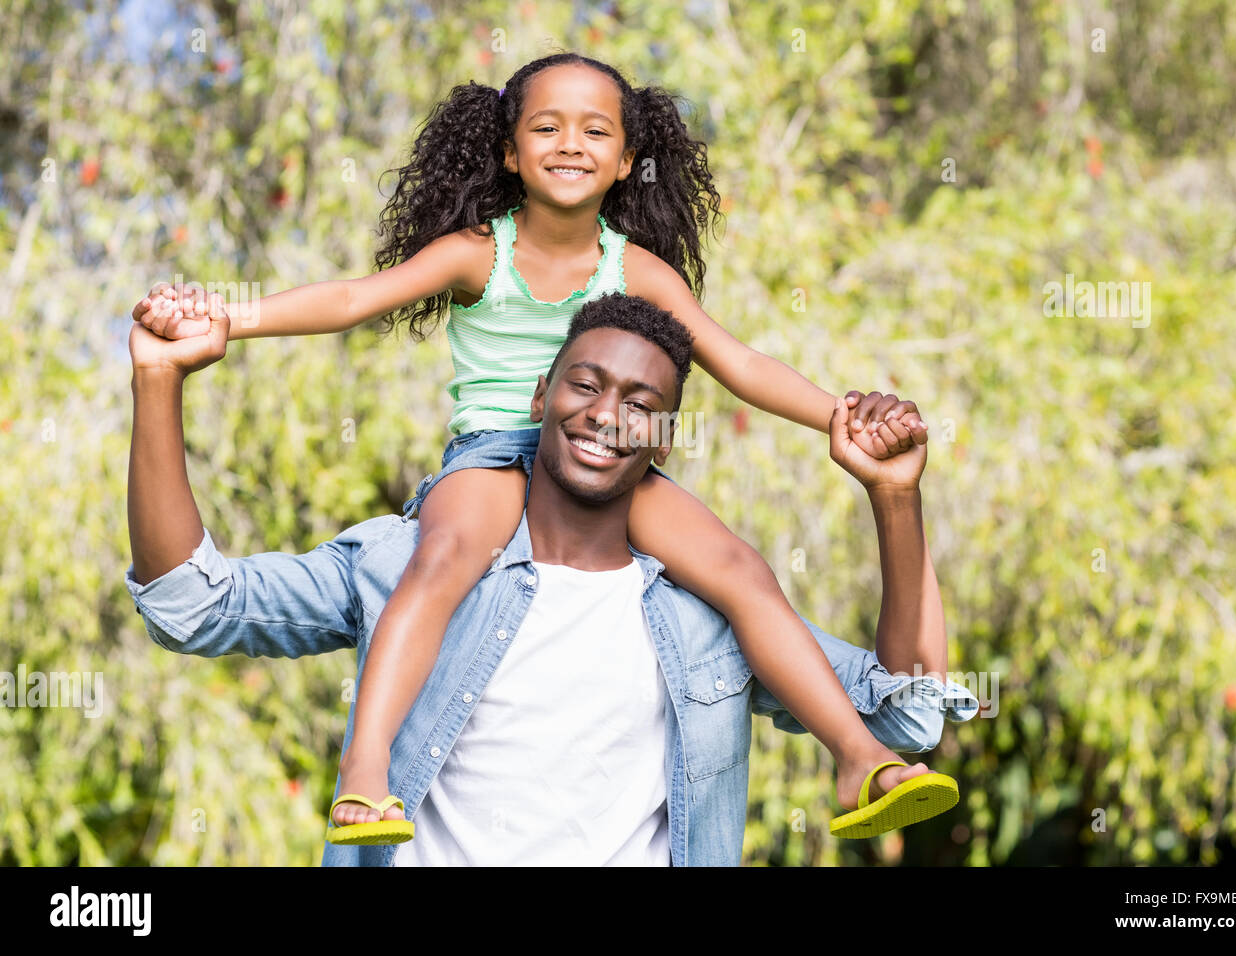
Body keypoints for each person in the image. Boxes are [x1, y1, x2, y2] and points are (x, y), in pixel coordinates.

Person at [132, 52, 940, 844]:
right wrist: (228, 317)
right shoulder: (478, 252)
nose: (569, 144)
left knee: (740, 572)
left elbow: (740, 363)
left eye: (595, 130)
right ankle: (367, 771)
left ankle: (860, 758)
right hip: (492, 452)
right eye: (545, 127)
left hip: (617, 464)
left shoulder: (639, 271)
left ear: (627, 161)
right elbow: (351, 299)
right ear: (510, 153)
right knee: (441, 558)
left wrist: (844, 415)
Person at [124, 290, 979, 866]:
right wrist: (159, 381)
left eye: (642, 403)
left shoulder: (708, 618)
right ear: (541, 397)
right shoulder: (406, 563)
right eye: (587, 384)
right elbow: (194, 607)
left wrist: (894, 500)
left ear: (666, 439)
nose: (608, 415)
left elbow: (906, 714)